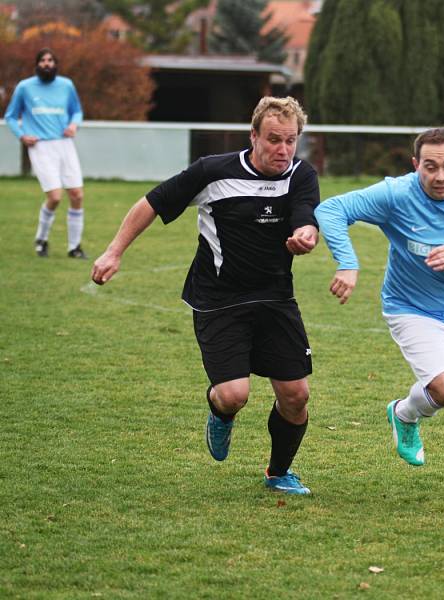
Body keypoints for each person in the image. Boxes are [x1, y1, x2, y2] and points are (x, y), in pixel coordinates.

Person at [91, 97, 319, 495]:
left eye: (290, 140)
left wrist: (306, 235)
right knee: (234, 396)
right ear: (253, 136)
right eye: (273, 139)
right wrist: (114, 250)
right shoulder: (213, 171)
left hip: (275, 298)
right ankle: (219, 411)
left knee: (296, 395)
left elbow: (305, 214)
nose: (282, 150)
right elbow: (152, 203)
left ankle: (278, 472)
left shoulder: (301, 174)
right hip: (219, 300)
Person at [315, 128, 444, 500]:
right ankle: (404, 414)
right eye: (430, 167)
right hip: (411, 308)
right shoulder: (396, 194)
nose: (440, 176)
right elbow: (331, 209)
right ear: (416, 166)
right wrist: (347, 263)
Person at [4, 48, 87, 259]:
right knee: (55, 197)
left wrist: (74, 125)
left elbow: (76, 111)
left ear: (55, 64)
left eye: (51, 60)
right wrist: (22, 135)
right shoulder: (25, 87)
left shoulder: (66, 85)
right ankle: (41, 239)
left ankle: (74, 247)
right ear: (37, 64)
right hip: (41, 146)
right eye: (43, 60)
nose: (47, 64)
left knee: (77, 195)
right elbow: (11, 117)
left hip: (65, 143)